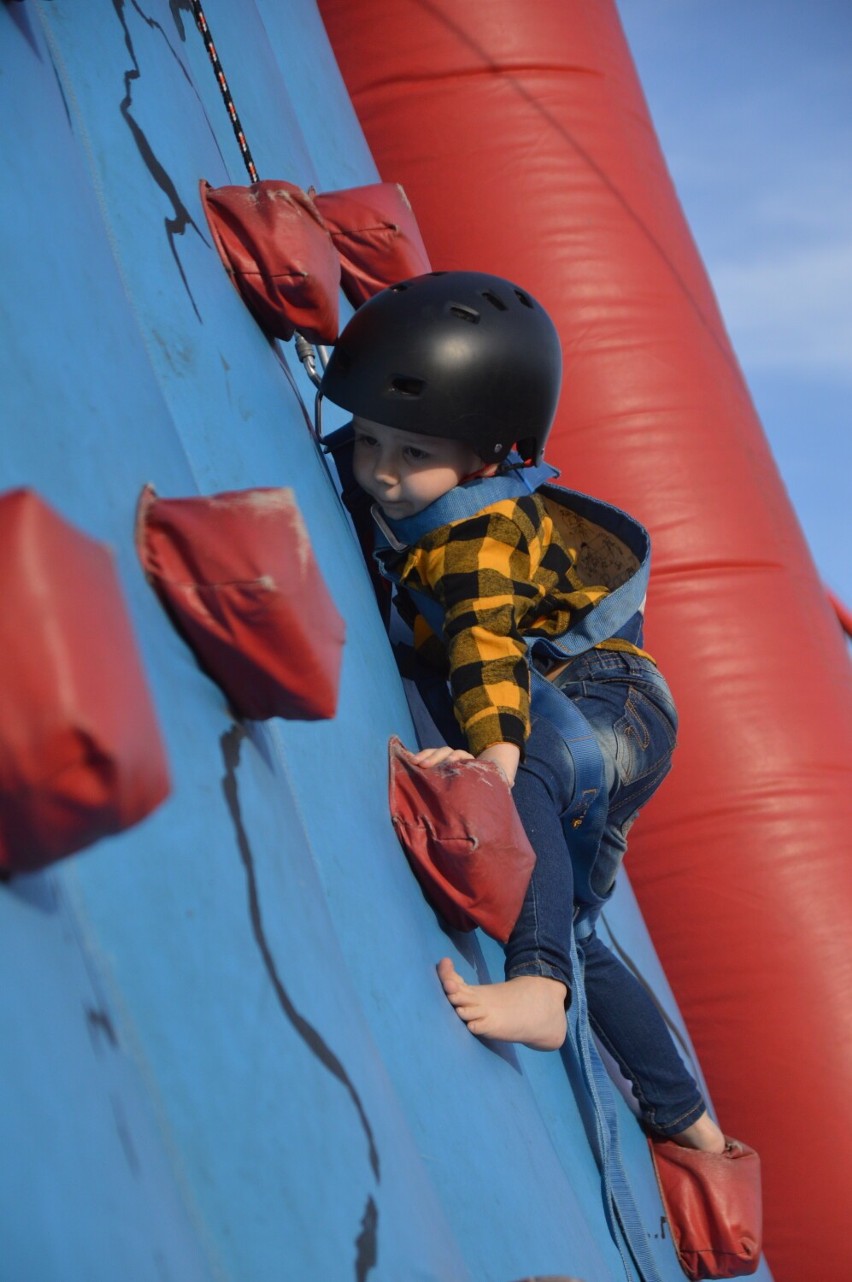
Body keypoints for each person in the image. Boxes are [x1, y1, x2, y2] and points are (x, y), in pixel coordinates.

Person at [320, 270, 725, 1153]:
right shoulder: (403, 468)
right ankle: (694, 1127)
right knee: (576, 914)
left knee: (530, 767)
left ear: (486, 455)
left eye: (412, 454)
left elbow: (483, 645)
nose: (383, 472)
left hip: (615, 702)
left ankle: (539, 990)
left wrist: (492, 765)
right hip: (572, 697)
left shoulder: (477, 537)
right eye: (369, 443)